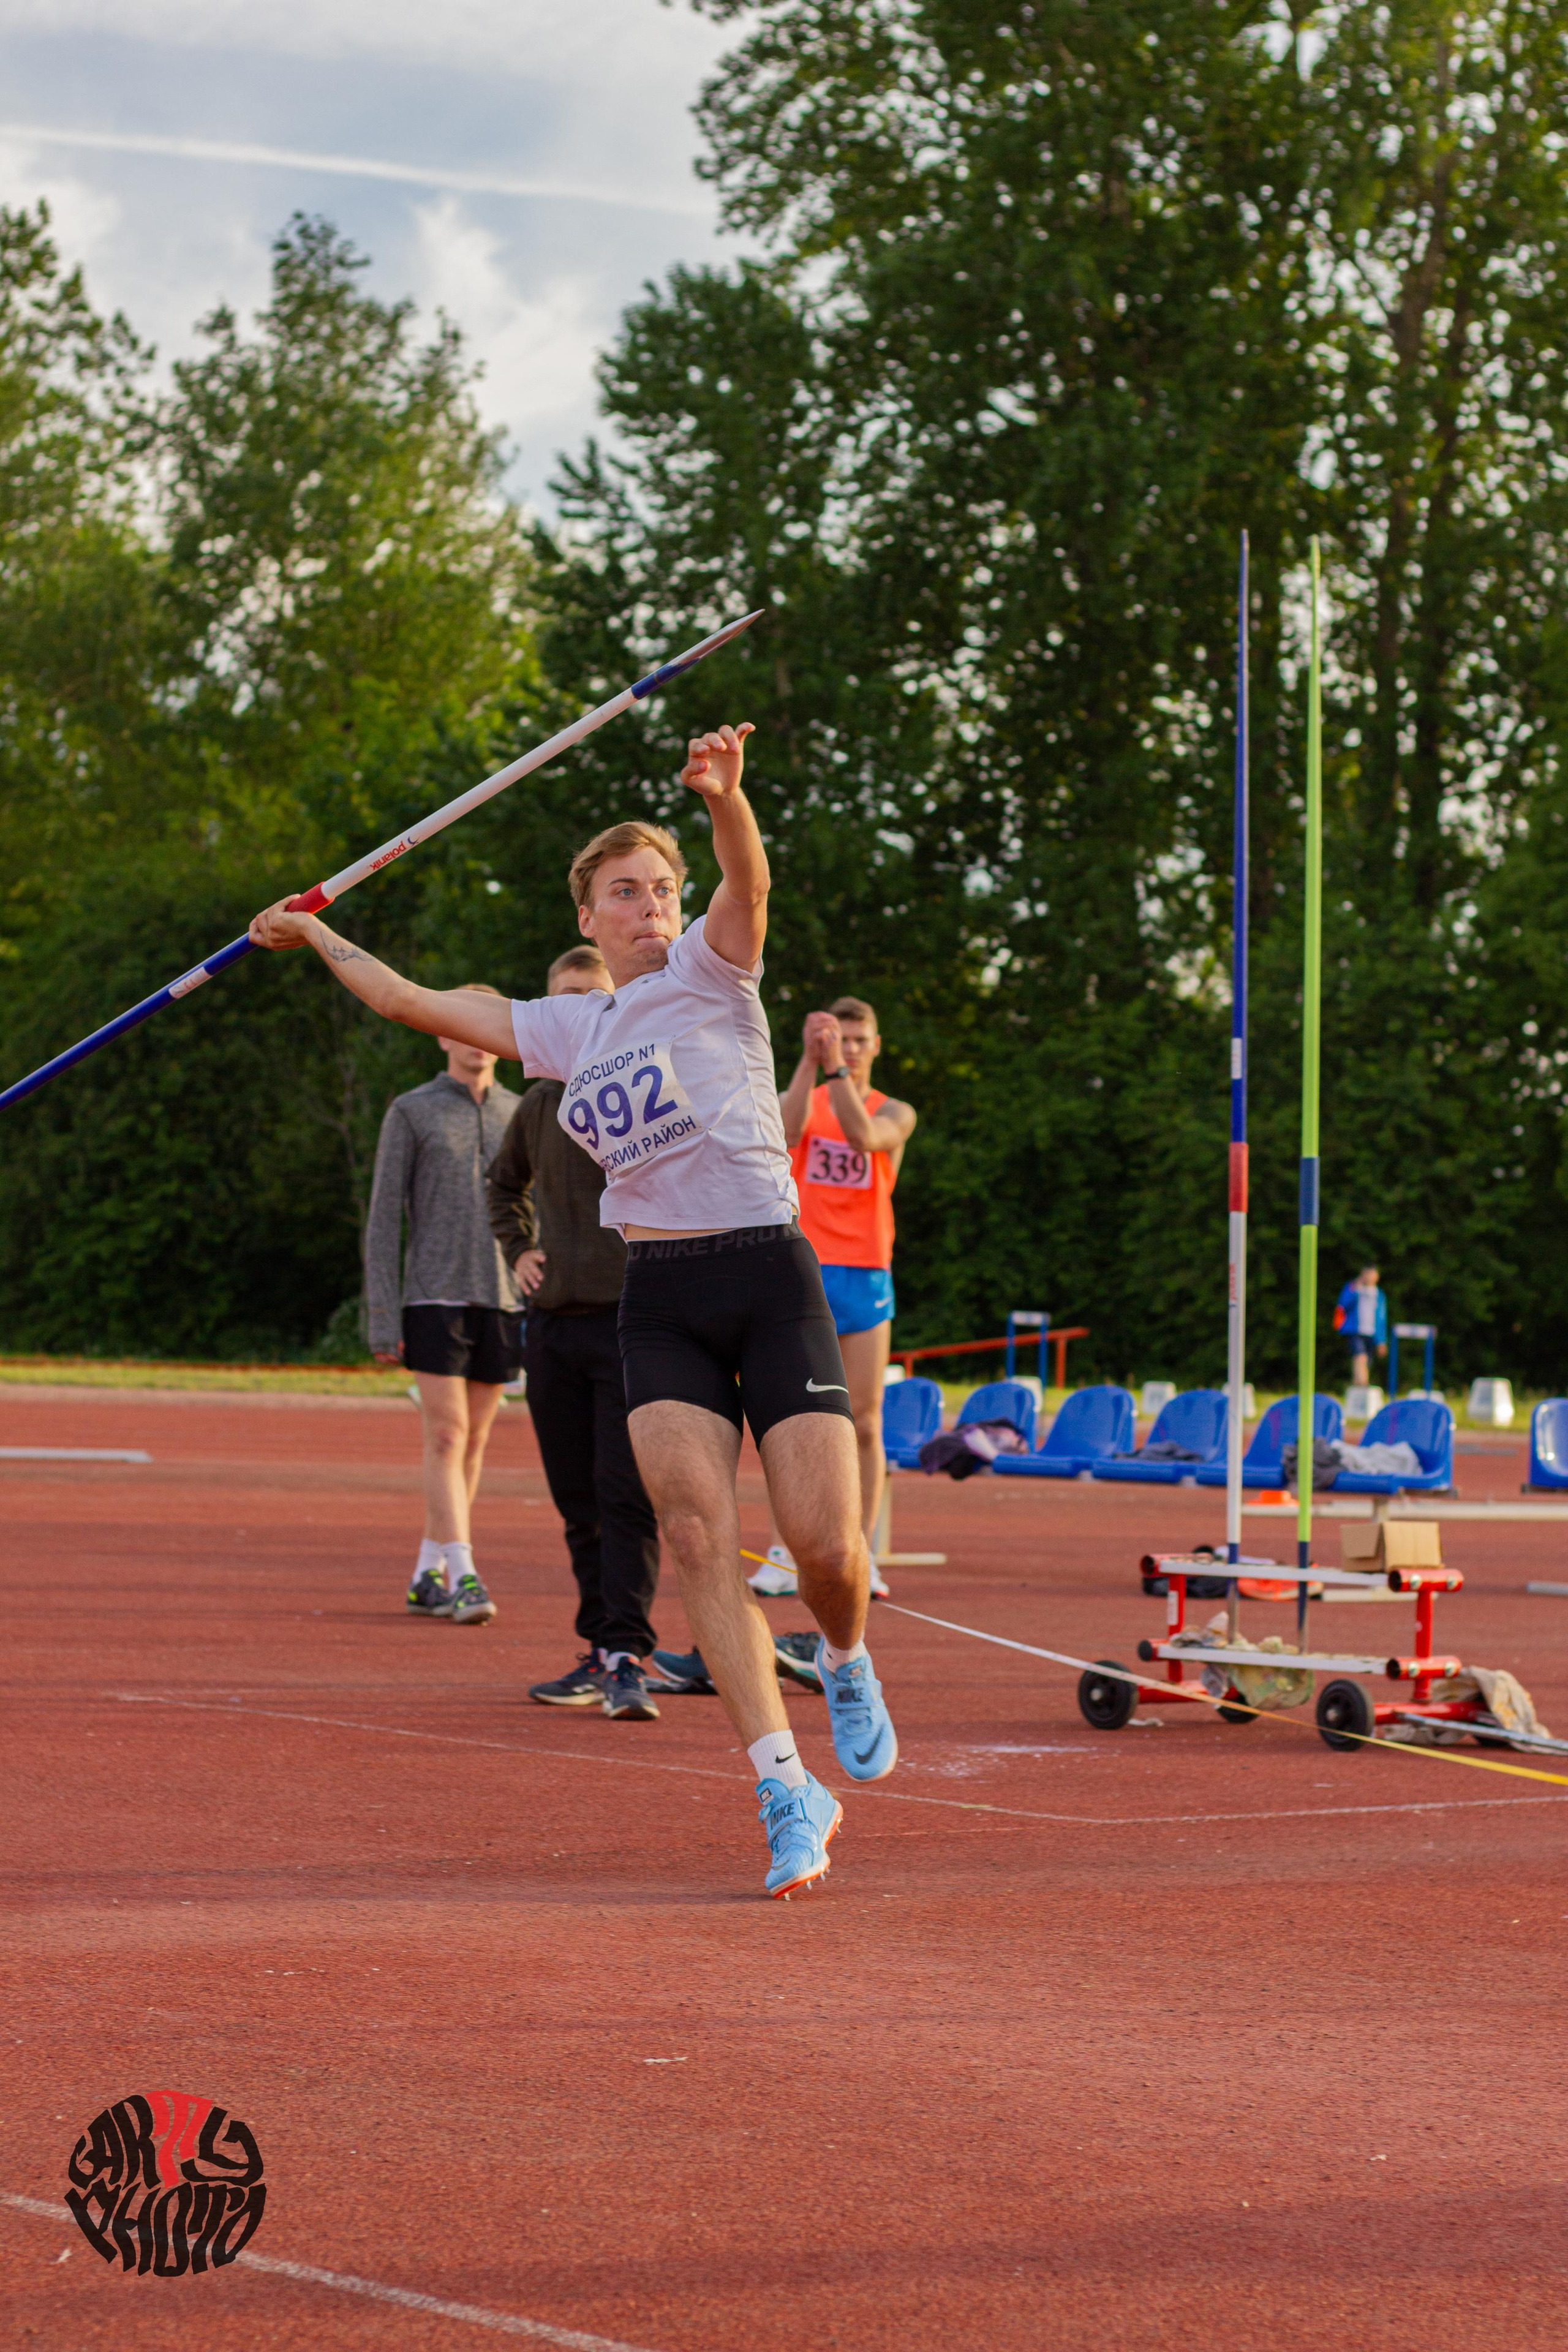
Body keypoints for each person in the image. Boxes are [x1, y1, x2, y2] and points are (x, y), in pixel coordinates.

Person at [249, 722, 897, 1901]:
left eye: (662, 889)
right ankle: (786, 1788)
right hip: (663, 1297)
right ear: (589, 916)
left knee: (823, 1548)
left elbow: (749, 882)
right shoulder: (564, 1031)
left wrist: (725, 798)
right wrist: (313, 931)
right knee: (694, 1536)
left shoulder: (713, 968)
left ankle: (846, 1655)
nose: (651, 907)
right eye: (626, 892)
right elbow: (405, 1000)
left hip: (768, 1273)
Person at [486, 944, 663, 1724]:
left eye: (591, 996)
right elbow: (503, 1185)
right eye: (562, 999)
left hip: (632, 1324)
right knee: (577, 1500)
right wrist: (518, 1250)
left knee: (627, 1495)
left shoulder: (650, 1085)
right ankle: (598, 1648)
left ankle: (627, 1655)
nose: (577, 1011)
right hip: (553, 1328)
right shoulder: (538, 1102)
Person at [363, 988, 522, 1626]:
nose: (476, 1039)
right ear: (443, 1034)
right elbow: (383, 1219)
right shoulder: (412, 1110)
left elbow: (538, 1210)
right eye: (463, 1026)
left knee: (475, 1440)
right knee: (448, 1433)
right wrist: (382, 1314)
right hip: (433, 1295)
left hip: (505, 1296)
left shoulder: (522, 1111)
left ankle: (427, 1573)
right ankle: (464, 1574)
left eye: (488, 1027)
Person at [750, 999, 915, 1602]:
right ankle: (782, 1550)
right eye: (838, 1039)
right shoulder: (809, 1096)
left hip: (865, 1271)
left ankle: (861, 1552)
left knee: (864, 1421)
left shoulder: (894, 1110)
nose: (849, 1049)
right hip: (803, 1266)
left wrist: (837, 1072)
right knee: (791, 1416)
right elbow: (783, 1132)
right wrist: (806, 1061)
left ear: (876, 1045)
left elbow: (865, 1137)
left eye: (858, 1039)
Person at [1333, 1264, 1388, 1389]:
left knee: (1366, 1361)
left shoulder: (1379, 1295)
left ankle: (1356, 1386)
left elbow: (1381, 1319)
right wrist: (1355, 1289)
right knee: (1360, 1356)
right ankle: (1364, 1385)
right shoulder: (1353, 1288)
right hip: (1355, 1330)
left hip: (1372, 1332)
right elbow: (1342, 1305)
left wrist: (1382, 1341)